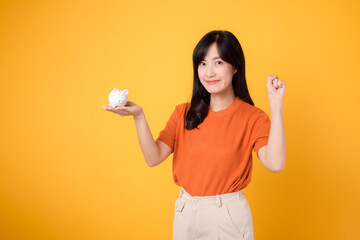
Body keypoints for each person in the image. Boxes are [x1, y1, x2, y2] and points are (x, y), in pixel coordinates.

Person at [102, 30, 286, 240]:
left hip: (227, 216)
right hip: (186, 213)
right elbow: (153, 158)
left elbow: (275, 164)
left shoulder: (252, 117)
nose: (209, 72)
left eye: (218, 62)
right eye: (202, 63)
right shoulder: (183, 113)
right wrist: (138, 116)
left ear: (235, 66)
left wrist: (276, 105)